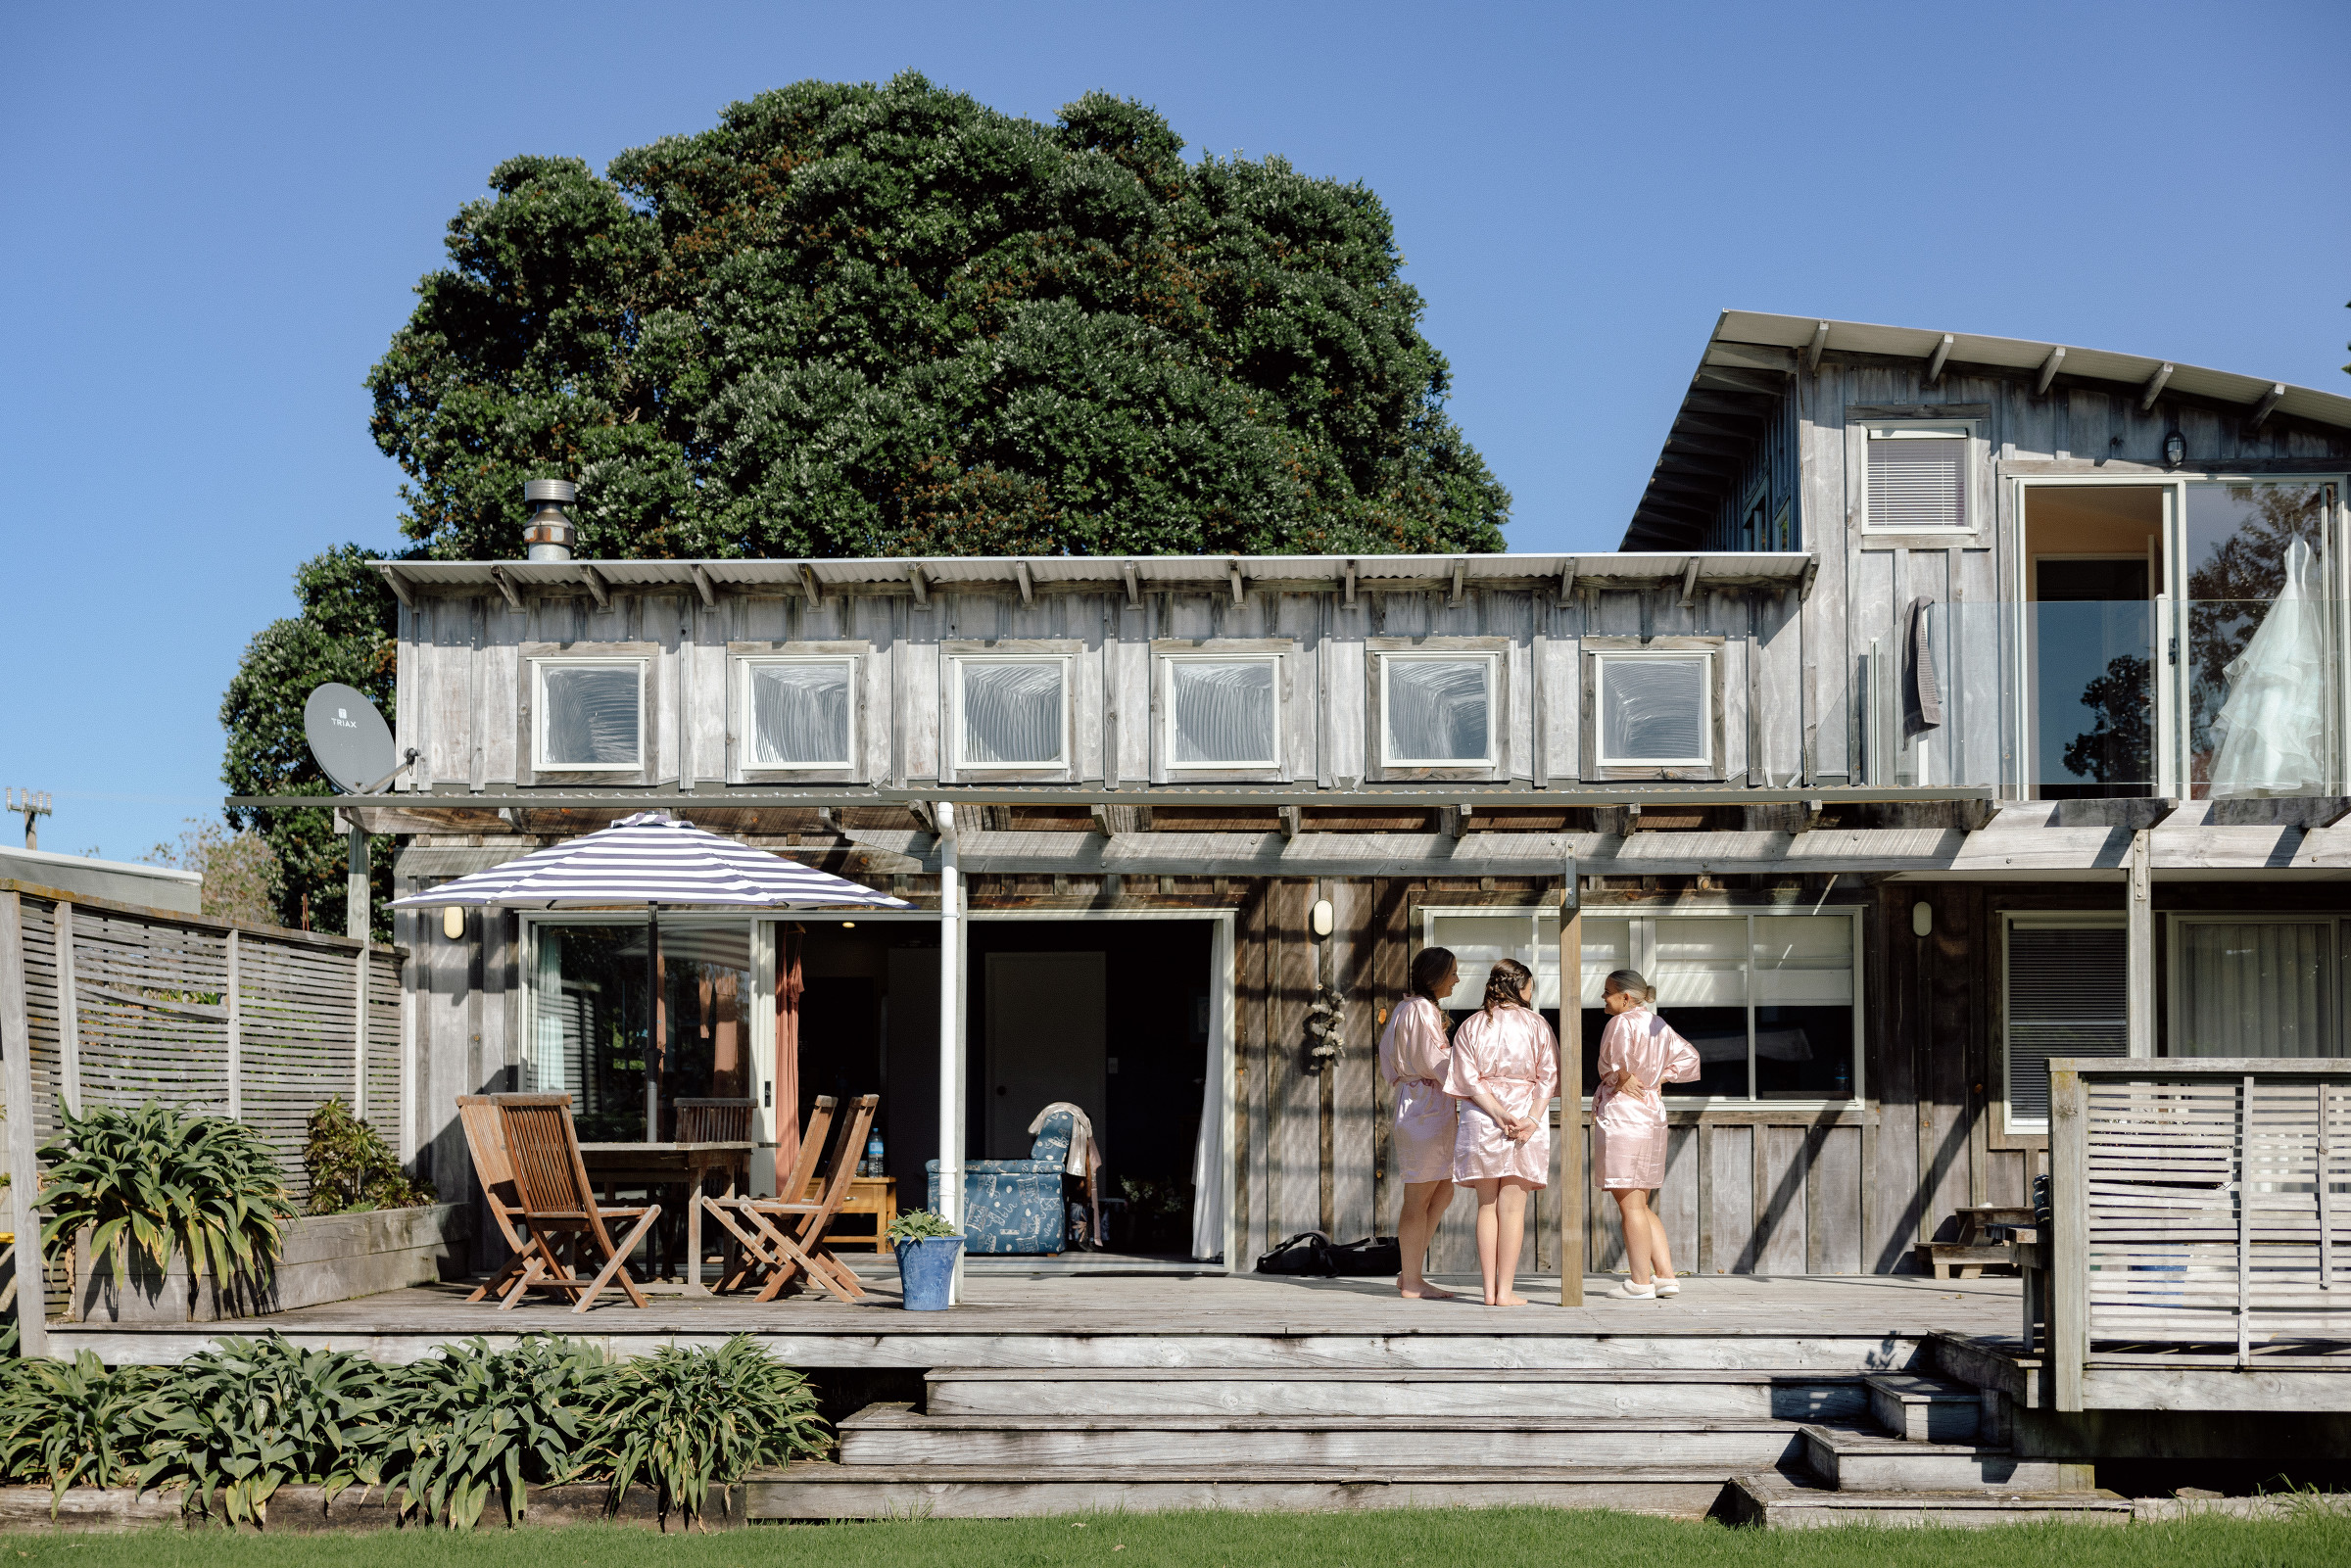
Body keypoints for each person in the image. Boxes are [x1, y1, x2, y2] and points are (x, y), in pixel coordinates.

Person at [1441, 958, 1559, 1307]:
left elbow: (1466, 1078)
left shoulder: (1472, 1025)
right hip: (1525, 1115)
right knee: (1512, 1210)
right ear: (1520, 988)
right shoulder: (1537, 1024)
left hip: (1483, 1117)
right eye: (1531, 988)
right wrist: (1531, 1119)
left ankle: (1488, 1292)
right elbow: (1548, 1076)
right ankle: (1505, 1291)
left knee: (1486, 1206)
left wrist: (1496, 1112)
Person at [1592, 969, 1700, 1301]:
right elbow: (1690, 1057)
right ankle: (1665, 1277)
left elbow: (1611, 1066)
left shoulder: (1620, 1023)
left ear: (1625, 997)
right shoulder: (1658, 1023)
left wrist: (1622, 1077)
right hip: (1651, 1113)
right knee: (1640, 1203)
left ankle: (1640, 1283)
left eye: (1607, 991)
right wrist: (1657, 1079)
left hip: (1625, 1116)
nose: (1602, 997)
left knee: (1630, 1205)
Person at [1378, 946, 1463, 1299]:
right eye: (1453, 972)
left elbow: (1387, 1054)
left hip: (1422, 1103)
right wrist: (1476, 1077)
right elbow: (1437, 1061)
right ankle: (1412, 1280)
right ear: (1436, 975)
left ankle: (1409, 1272)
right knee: (1418, 1195)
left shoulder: (1405, 1007)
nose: (1457, 979)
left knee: (1443, 1190)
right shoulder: (1421, 1009)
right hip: (1425, 1105)